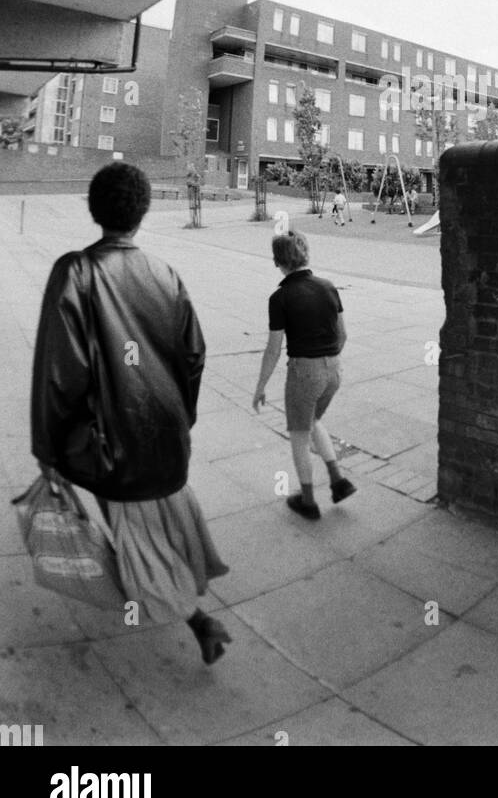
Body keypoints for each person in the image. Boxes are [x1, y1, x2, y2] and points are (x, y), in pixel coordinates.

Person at [30, 162, 231, 665]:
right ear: (143, 212)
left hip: (115, 444)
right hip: (164, 436)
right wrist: (179, 418)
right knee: (164, 516)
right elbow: (194, 355)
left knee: (138, 534)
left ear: (94, 209)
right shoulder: (165, 274)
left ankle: (197, 619)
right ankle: (187, 590)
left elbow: (61, 370)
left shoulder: (75, 271)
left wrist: (49, 447)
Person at [252, 231, 355, 520]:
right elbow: (343, 333)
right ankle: (337, 480)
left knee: (298, 435)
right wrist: (329, 360)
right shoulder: (328, 287)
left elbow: (273, 350)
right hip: (334, 370)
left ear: (277, 262)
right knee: (312, 421)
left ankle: (307, 501)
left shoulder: (280, 298)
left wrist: (260, 386)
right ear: (305, 254)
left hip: (304, 373)